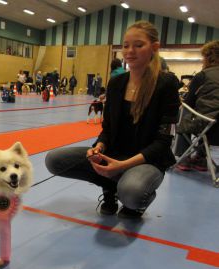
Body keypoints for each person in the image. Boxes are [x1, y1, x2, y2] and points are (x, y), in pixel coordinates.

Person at [45, 21, 180, 219]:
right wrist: (98, 147)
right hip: (115, 154)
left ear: (154, 47)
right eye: (125, 45)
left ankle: (134, 201)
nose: (130, 51)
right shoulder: (116, 83)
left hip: (148, 161)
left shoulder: (167, 84)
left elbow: (163, 142)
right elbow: (107, 129)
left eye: (138, 45)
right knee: (55, 160)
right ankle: (109, 187)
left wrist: (123, 166)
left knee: (132, 193)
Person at [175, 40, 219, 171]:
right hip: (215, 127)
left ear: (208, 57)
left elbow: (189, 102)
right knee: (208, 116)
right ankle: (201, 157)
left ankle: (183, 157)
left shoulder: (203, 75)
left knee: (185, 113)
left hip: (209, 126)